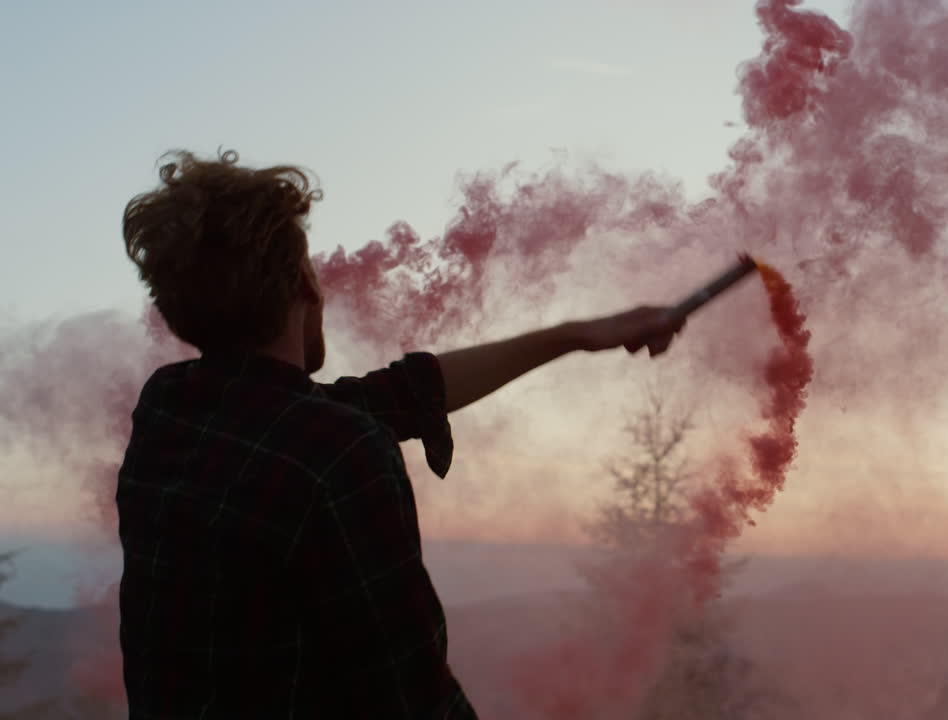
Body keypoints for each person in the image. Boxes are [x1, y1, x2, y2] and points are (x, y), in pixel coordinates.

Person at [116, 149, 684, 718]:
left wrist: (576, 335)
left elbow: (390, 396)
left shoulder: (171, 408)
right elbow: (413, 699)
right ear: (301, 287)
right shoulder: (339, 456)